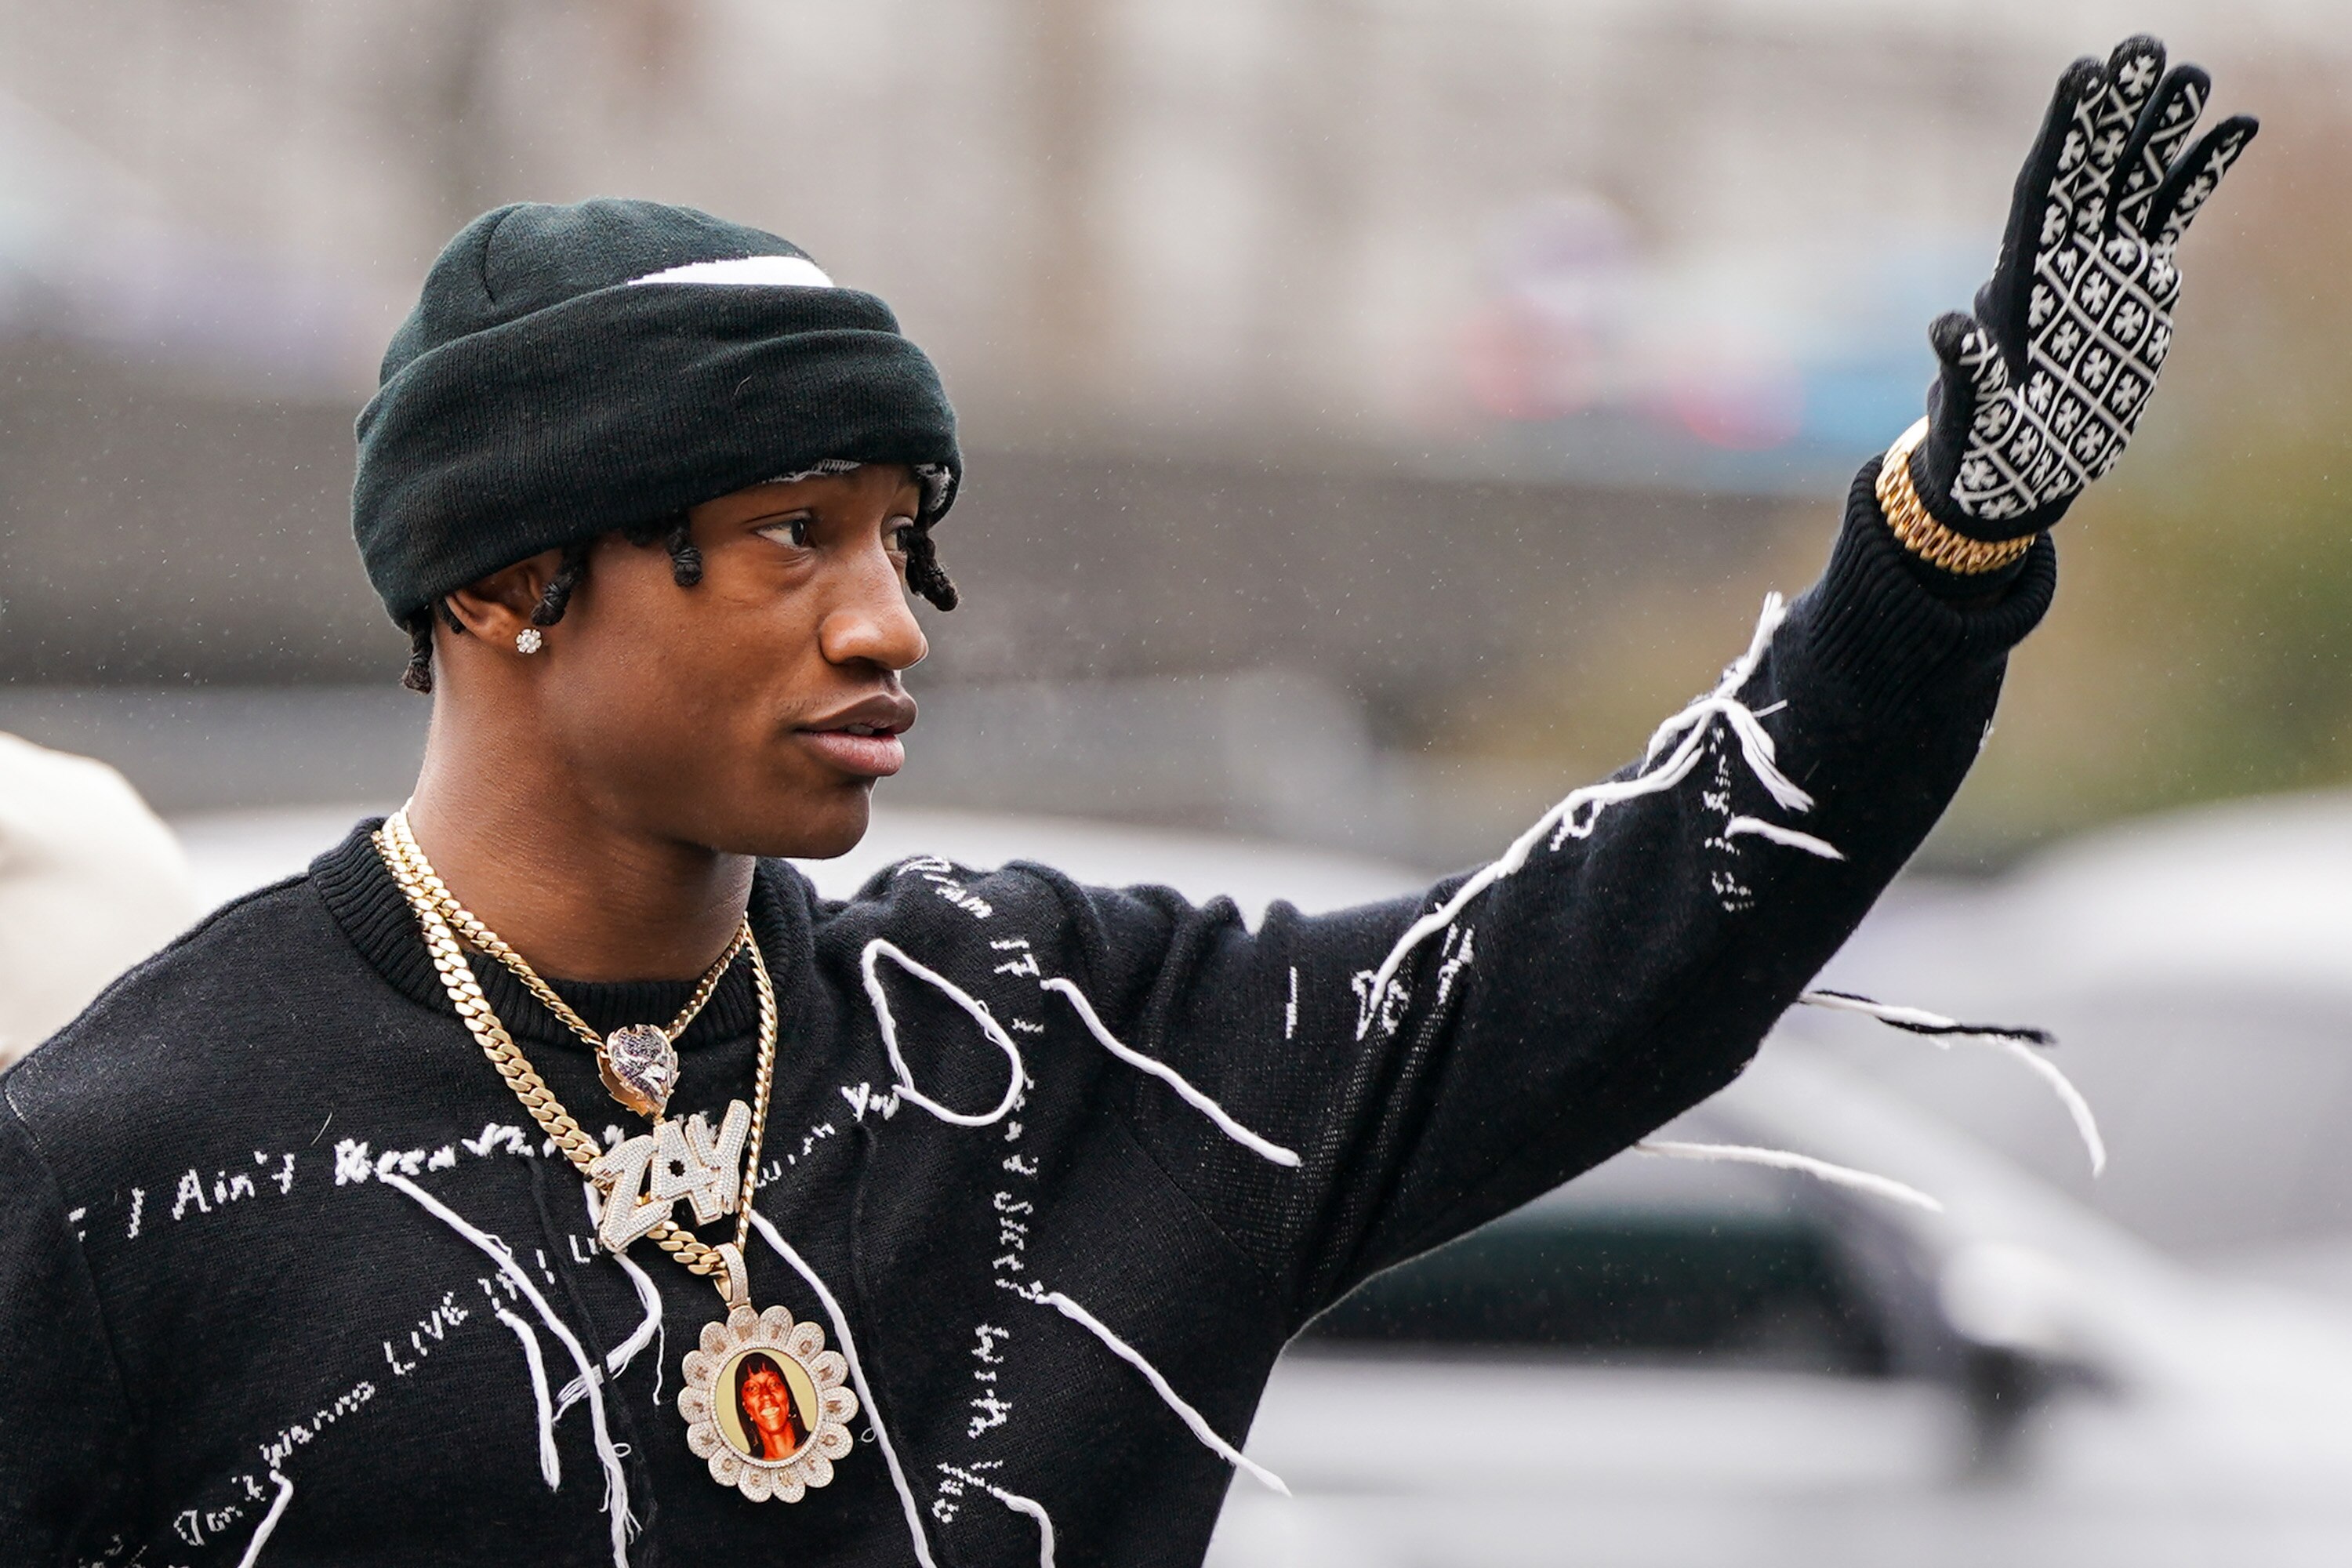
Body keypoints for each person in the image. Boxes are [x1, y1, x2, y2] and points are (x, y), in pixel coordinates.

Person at [0, 35, 2255, 1568]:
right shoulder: (114, 1166)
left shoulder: (1064, 1037)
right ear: (508, 579)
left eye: (907, 539)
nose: (888, 625)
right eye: (798, 536)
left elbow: (1634, 933)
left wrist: (1945, 547)